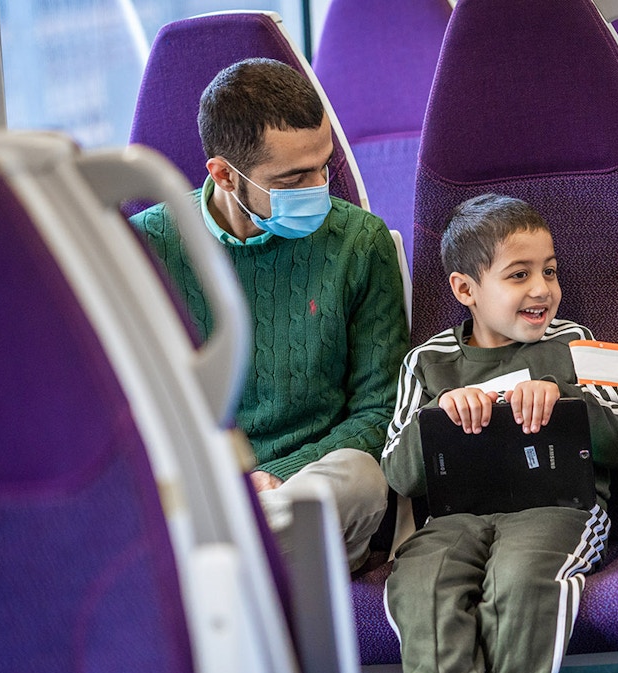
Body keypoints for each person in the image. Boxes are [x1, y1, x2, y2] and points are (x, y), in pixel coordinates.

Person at [129, 58, 409, 571]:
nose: (320, 186)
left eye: (325, 165)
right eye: (296, 176)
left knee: (362, 478)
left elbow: (381, 412)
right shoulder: (150, 246)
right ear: (223, 175)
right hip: (204, 486)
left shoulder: (361, 242)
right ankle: (247, 563)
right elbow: (138, 409)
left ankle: (207, 569)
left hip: (313, 483)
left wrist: (277, 477)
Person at [380, 193, 618, 673]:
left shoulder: (575, 343)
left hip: (557, 507)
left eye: (549, 271)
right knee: (422, 584)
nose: (542, 289)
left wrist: (563, 398)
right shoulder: (428, 361)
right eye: (519, 275)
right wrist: (439, 417)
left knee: (520, 580)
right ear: (466, 289)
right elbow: (398, 471)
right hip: (454, 517)